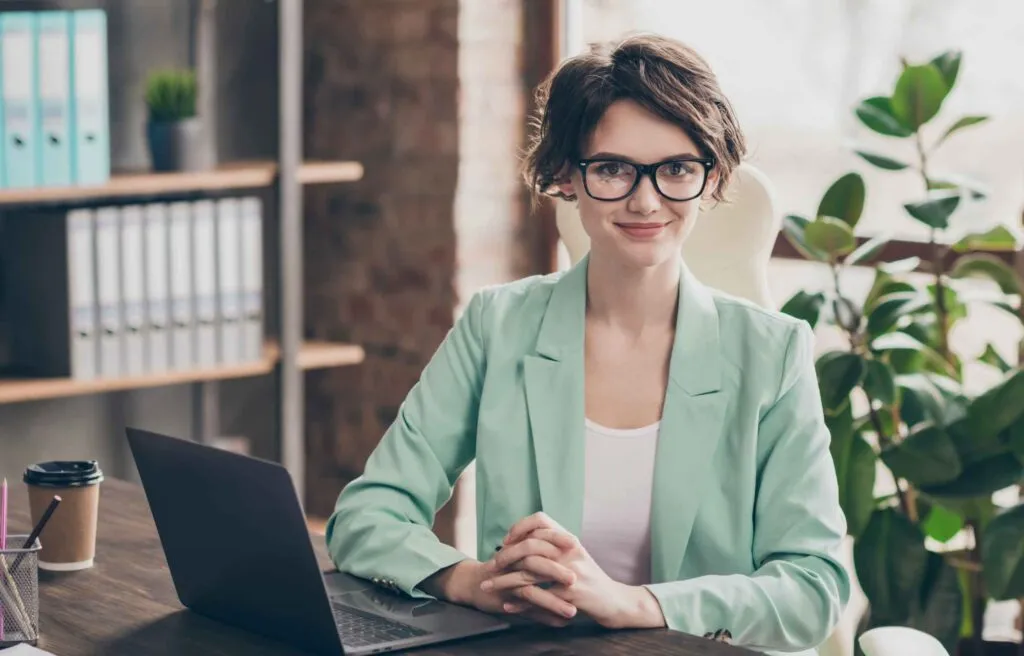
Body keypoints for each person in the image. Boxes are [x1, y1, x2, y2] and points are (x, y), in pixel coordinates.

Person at [325, 33, 850, 655]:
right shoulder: (498, 326)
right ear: (566, 177)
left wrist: (639, 604)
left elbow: (814, 587)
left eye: (677, 168)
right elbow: (367, 515)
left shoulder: (774, 353)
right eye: (612, 169)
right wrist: (471, 581)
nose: (645, 199)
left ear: (712, 180)